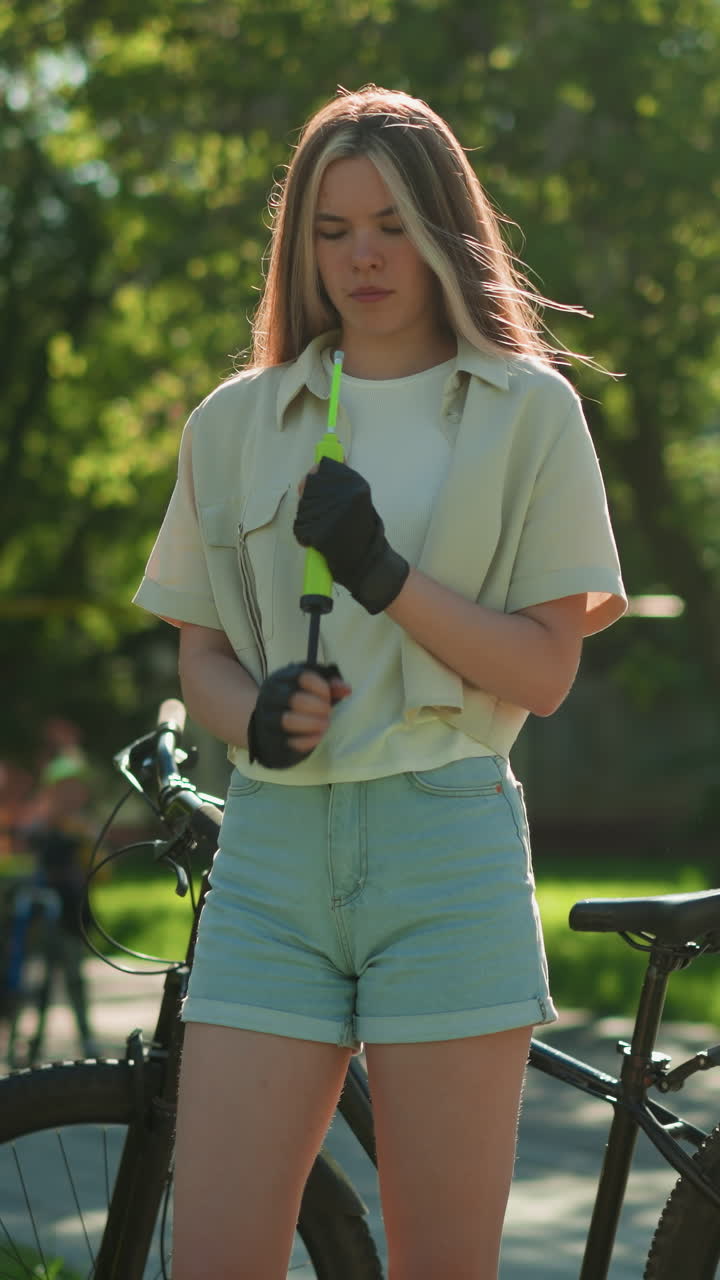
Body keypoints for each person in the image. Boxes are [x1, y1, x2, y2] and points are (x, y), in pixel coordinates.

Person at [134, 85, 626, 1279]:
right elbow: (198, 650)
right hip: (270, 862)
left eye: (394, 225)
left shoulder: (530, 414)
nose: (363, 255)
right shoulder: (236, 422)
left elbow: (546, 671)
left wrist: (381, 571)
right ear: (299, 244)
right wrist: (250, 710)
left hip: (444, 848)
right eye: (333, 227)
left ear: (448, 232)